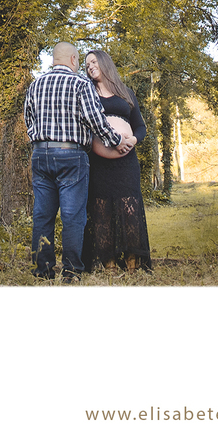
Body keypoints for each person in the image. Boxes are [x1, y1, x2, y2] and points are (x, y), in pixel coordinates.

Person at [23, 41, 134, 280]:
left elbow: (28, 120)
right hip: (71, 155)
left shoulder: (35, 85)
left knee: (43, 215)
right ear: (73, 60)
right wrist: (117, 141)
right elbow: (97, 121)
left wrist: (41, 140)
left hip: (40, 155)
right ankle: (71, 272)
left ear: (54, 60)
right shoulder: (80, 84)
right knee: (73, 216)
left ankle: (42, 271)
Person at [82, 49, 153, 272]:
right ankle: (108, 262)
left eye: (94, 61)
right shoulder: (87, 93)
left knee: (129, 208)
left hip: (126, 164)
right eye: (86, 65)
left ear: (104, 62)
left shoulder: (126, 93)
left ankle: (133, 261)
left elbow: (140, 126)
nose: (90, 66)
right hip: (99, 164)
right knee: (101, 209)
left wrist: (133, 138)